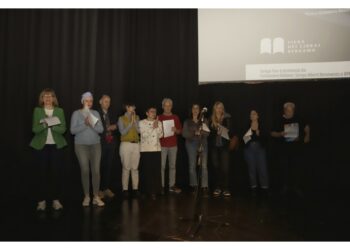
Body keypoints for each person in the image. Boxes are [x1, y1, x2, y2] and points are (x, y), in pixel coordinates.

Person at [30, 88, 67, 211]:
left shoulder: (59, 111)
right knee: (41, 174)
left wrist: (51, 124)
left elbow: (63, 129)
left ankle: (56, 200)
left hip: (56, 146)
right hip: (41, 147)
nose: (47, 98)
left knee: (56, 174)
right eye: (45, 96)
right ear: (42, 99)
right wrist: (45, 124)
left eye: (50, 96)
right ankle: (41, 201)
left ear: (53, 98)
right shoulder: (38, 111)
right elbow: (35, 129)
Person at [70, 92, 105, 207]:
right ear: (82, 102)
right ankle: (86, 196)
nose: (89, 103)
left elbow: (101, 130)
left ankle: (95, 196)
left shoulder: (95, 113)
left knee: (96, 171)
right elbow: (72, 131)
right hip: (81, 146)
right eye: (86, 101)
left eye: (90, 101)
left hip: (95, 145)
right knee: (85, 170)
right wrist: (85, 124)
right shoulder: (76, 113)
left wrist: (92, 125)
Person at [271, 102, 310, 197]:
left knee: (296, 168)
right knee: (284, 169)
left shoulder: (298, 118)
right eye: (288, 111)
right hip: (283, 150)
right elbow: (272, 133)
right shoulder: (279, 120)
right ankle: (285, 187)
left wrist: (307, 136)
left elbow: (306, 127)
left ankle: (296, 187)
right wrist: (280, 134)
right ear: (284, 110)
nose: (290, 113)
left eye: (292, 111)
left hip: (296, 149)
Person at [209, 101, 235, 197]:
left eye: (221, 107)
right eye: (217, 107)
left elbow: (232, 132)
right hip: (214, 146)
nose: (219, 109)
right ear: (214, 109)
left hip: (224, 146)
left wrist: (224, 130)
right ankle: (218, 187)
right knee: (216, 167)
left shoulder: (227, 118)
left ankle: (226, 188)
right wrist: (216, 131)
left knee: (225, 167)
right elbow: (209, 134)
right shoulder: (211, 119)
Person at [182, 104, 209, 195]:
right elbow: (184, 134)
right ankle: (194, 185)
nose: (195, 110)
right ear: (191, 110)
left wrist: (201, 132)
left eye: (197, 108)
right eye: (194, 108)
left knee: (204, 166)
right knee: (192, 165)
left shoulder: (204, 120)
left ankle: (204, 186)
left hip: (203, 143)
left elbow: (207, 134)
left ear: (200, 110)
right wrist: (194, 133)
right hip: (191, 144)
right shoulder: (187, 121)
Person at [242, 110, 269, 197]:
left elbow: (266, 137)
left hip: (260, 148)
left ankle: (264, 188)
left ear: (258, 116)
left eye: (254, 114)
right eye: (251, 114)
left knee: (262, 168)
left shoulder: (262, 125)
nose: (252, 116)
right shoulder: (246, 125)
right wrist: (247, 135)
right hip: (249, 148)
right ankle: (254, 187)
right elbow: (243, 139)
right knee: (252, 168)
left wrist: (259, 133)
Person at [158, 98, 182, 194]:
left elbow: (180, 131)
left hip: (173, 145)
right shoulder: (158, 117)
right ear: (163, 106)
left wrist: (176, 130)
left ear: (171, 106)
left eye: (169, 105)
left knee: (172, 166)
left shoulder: (175, 117)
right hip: (162, 145)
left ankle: (172, 186)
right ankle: (162, 186)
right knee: (162, 166)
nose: (167, 107)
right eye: (166, 105)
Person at [139, 106, 163, 199]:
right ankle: (145, 191)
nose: (153, 113)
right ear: (147, 113)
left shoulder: (159, 122)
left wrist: (157, 126)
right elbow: (144, 135)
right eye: (151, 111)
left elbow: (161, 135)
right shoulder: (141, 122)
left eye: (155, 112)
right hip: (146, 149)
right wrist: (153, 126)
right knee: (146, 171)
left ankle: (155, 191)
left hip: (156, 149)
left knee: (155, 171)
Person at [118, 102, 140, 198]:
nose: (133, 108)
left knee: (135, 168)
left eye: (134, 107)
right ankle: (125, 189)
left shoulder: (137, 117)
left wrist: (134, 122)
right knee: (126, 167)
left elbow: (139, 131)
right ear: (127, 107)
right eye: (132, 106)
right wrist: (130, 124)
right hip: (126, 144)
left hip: (136, 144)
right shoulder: (121, 118)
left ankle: (135, 189)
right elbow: (122, 132)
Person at [98, 95, 118, 199]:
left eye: (109, 102)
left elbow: (118, 124)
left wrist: (115, 126)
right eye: (105, 101)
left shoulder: (112, 113)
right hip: (100, 143)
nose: (107, 103)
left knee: (108, 166)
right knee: (100, 166)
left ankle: (106, 188)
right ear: (100, 102)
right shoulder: (96, 113)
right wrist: (105, 128)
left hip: (111, 143)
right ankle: (99, 189)